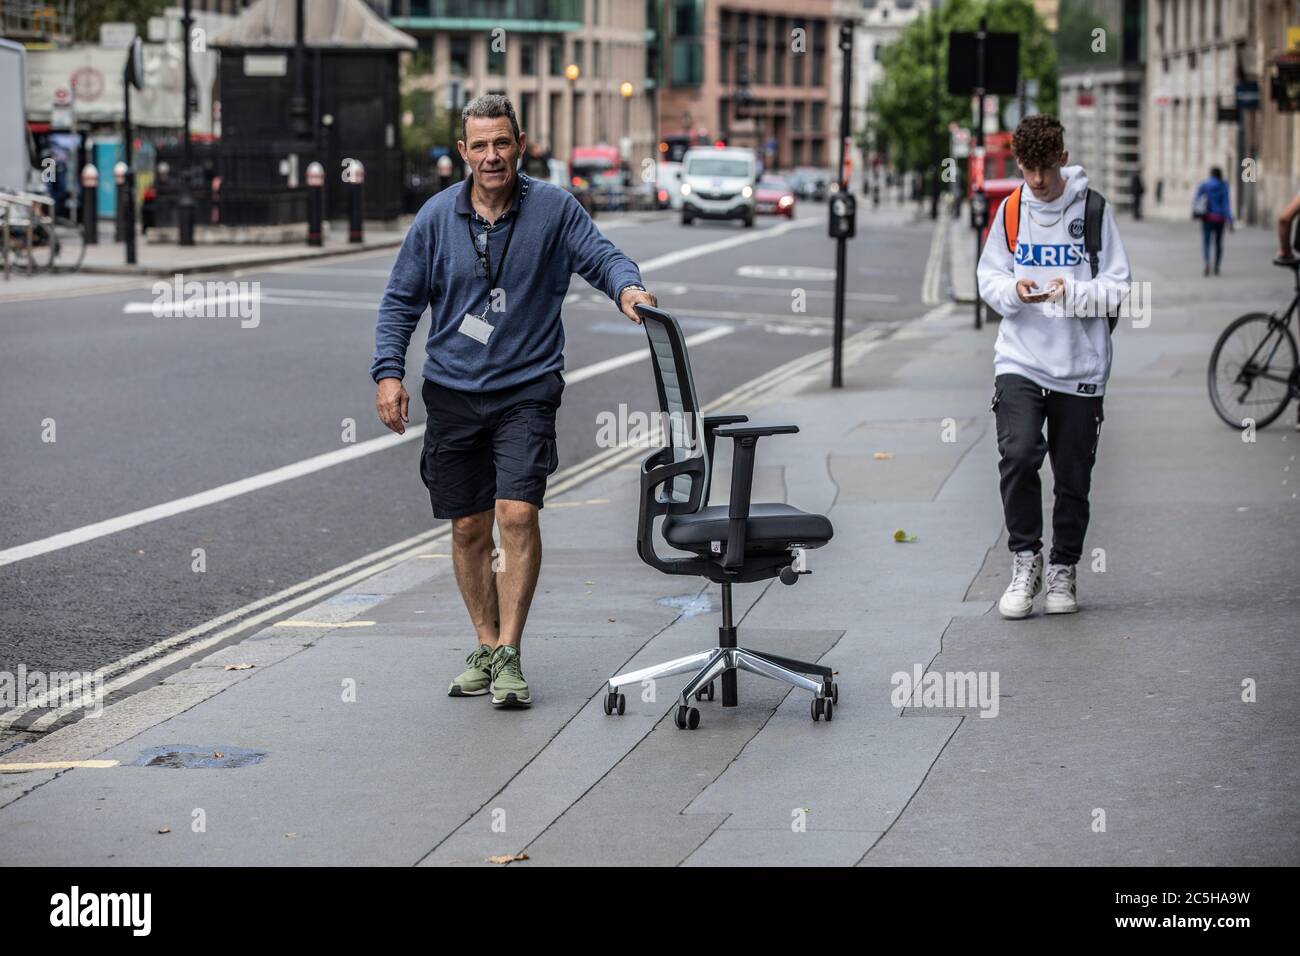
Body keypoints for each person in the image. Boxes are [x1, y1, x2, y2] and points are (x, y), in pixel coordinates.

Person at [371, 94, 657, 707]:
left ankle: (510, 651)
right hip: (451, 390)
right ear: (464, 152)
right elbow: (400, 302)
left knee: (517, 514)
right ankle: (484, 640)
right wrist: (388, 374)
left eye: (502, 143)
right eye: (480, 145)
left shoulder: (553, 209)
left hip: (526, 387)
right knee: (469, 523)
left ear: (520, 146)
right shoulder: (435, 219)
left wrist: (628, 289)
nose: (492, 156)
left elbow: (601, 255)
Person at [977, 114, 1132, 620]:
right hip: (1021, 359)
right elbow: (989, 276)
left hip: (1080, 366)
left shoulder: (1092, 210)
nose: (1037, 180)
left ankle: (1063, 568)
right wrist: (1012, 291)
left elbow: (1118, 286)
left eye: (1045, 167)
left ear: (1062, 158)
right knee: (1019, 456)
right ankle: (1026, 561)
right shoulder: (1012, 209)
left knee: (1073, 478)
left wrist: (1073, 293)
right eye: (1028, 168)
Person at [1192, 167, 1233, 276]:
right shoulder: (1224, 186)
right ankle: (1217, 266)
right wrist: (1230, 220)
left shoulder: (1204, 185)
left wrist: (1196, 212)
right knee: (1218, 243)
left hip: (1207, 218)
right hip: (1220, 219)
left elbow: (1196, 199)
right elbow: (1226, 204)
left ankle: (1206, 261)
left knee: (1206, 242)